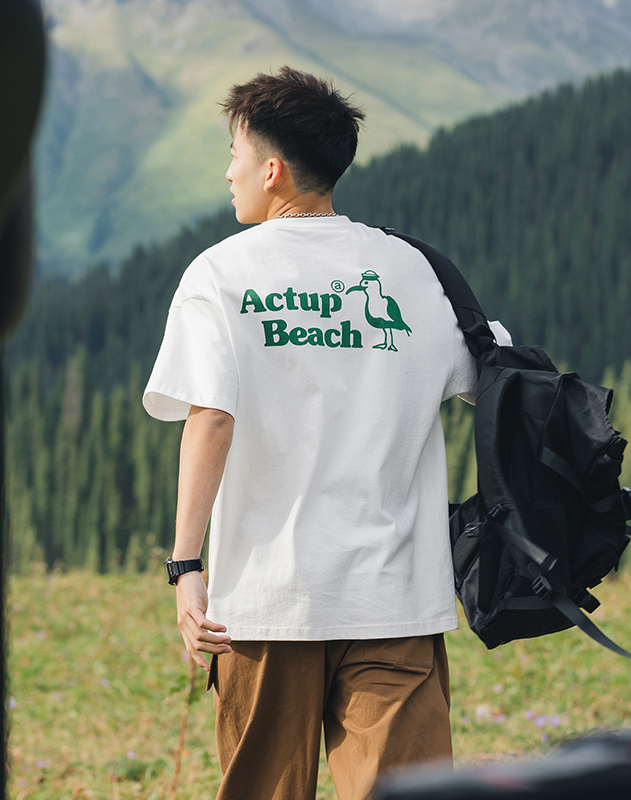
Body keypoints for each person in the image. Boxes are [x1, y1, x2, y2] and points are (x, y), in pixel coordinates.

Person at [143, 66, 508, 800]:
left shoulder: (221, 274)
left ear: (272, 170)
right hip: (394, 596)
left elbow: (210, 418)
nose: (228, 173)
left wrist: (186, 569)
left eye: (237, 158)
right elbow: (496, 379)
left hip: (266, 601)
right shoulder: (415, 272)